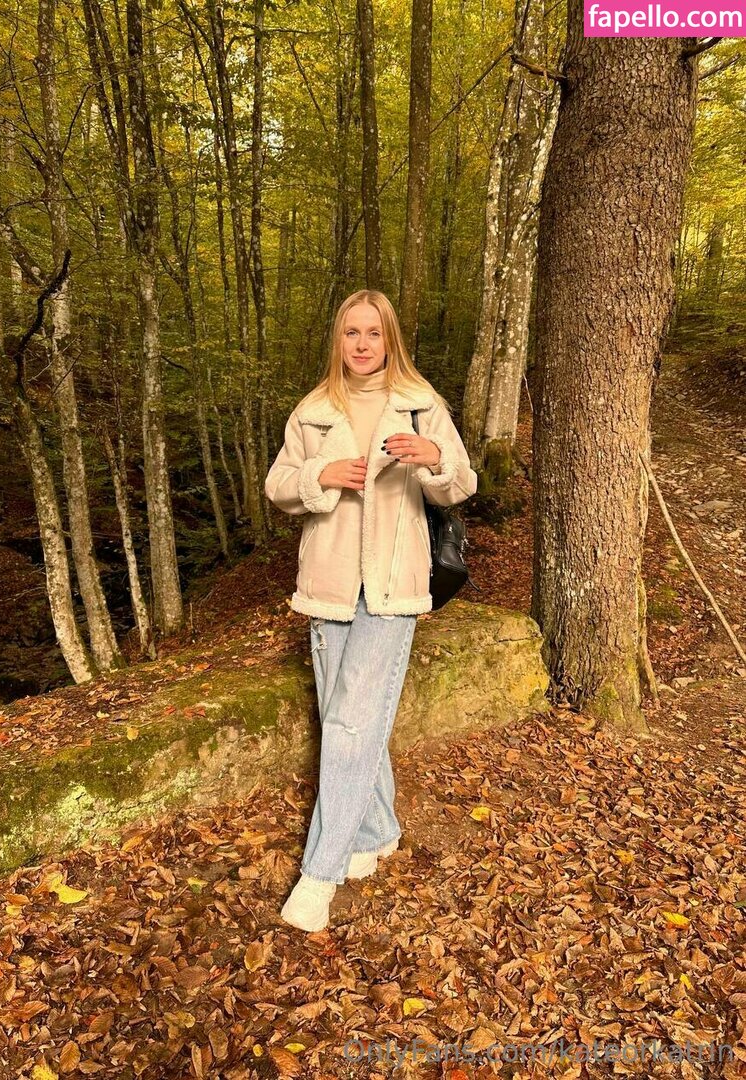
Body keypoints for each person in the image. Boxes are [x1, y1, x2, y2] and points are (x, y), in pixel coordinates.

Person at [264, 289, 478, 931]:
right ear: (339, 339)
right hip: (328, 584)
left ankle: (319, 873)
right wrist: (320, 477)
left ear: (390, 340)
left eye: (374, 333)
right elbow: (278, 486)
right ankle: (376, 829)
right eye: (352, 332)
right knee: (348, 717)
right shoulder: (313, 411)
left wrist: (435, 459)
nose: (362, 344)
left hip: (392, 582)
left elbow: (462, 482)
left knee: (352, 720)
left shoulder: (420, 403)